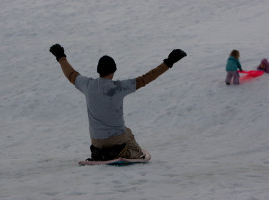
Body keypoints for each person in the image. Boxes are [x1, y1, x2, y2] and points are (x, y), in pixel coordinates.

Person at [50, 44, 186, 161]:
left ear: (99, 71)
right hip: (117, 139)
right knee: (137, 151)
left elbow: (71, 74)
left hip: (96, 141)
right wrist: (168, 63)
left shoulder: (87, 85)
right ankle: (119, 152)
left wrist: (61, 57)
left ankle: (99, 152)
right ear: (113, 71)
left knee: (126, 132)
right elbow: (145, 79)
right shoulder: (118, 87)